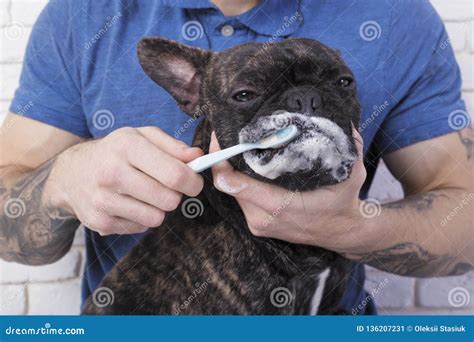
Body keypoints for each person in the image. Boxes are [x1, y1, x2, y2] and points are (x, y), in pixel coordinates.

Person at [0, 0, 472, 315]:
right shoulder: (84, 14)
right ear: (191, 92)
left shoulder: (395, 15)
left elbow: (465, 211)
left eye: (338, 85)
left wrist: (354, 228)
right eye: (248, 93)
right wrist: (62, 182)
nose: (305, 106)